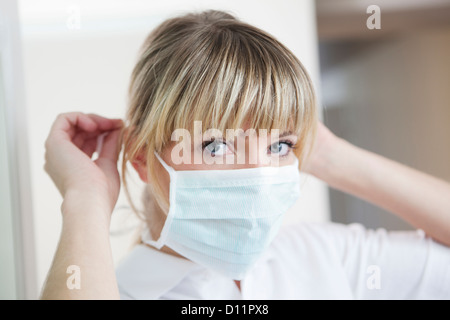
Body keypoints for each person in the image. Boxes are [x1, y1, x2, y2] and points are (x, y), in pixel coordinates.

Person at [41, 10, 450, 300]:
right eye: (215, 145)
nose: (257, 173)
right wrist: (86, 199)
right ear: (142, 159)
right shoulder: (112, 291)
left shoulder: (321, 256)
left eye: (279, 145)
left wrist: (326, 154)